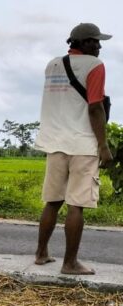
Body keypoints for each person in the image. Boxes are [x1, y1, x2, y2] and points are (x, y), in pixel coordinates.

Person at [33, 23, 114, 275]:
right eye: (95, 41)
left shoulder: (52, 64)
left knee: (53, 201)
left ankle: (41, 253)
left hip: (54, 141)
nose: (99, 46)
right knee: (76, 204)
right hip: (81, 143)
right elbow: (94, 107)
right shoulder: (94, 65)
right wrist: (103, 146)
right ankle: (70, 263)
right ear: (83, 42)